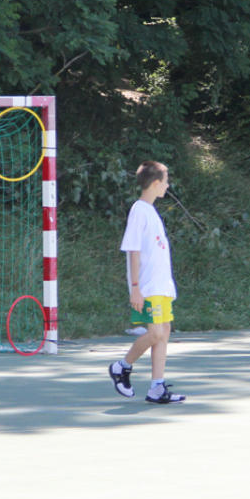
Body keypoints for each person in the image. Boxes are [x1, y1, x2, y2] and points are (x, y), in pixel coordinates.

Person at [108, 161, 185, 404]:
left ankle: (157, 388)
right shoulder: (139, 210)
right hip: (148, 287)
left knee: (164, 332)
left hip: (161, 286)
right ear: (155, 183)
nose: (167, 185)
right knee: (155, 333)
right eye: (165, 181)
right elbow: (133, 251)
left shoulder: (151, 211)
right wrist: (135, 289)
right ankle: (121, 366)